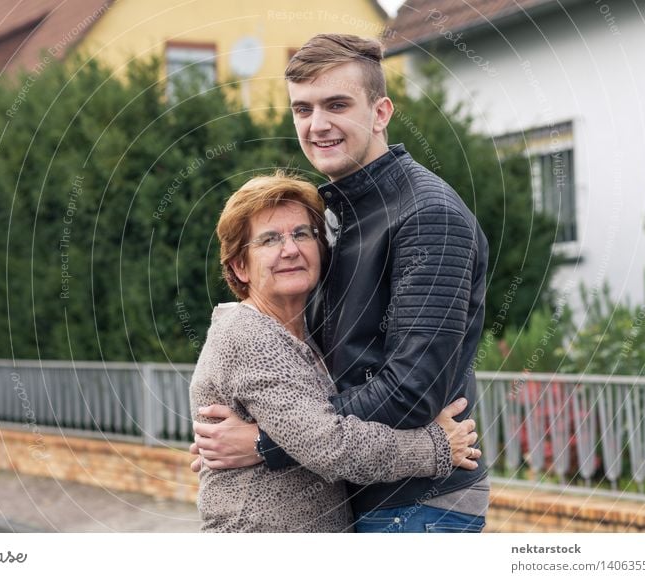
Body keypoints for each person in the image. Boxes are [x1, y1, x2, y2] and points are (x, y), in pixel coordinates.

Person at [191, 34, 490, 533]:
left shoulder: (426, 216)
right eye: (302, 109)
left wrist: (267, 442)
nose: (318, 124)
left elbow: (413, 390)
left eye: (336, 105)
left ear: (380, 113)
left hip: (418, 503)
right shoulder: (338, 218)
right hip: (363, 494)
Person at [191, 172, 481, 532]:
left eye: (302, 233)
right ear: (239, 266)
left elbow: (308, 432)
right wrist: (432, 448)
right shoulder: (249, 336)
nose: (290, 249)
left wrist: (260, 443)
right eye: (269, 240)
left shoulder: (298, 334)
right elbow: (329, 444)